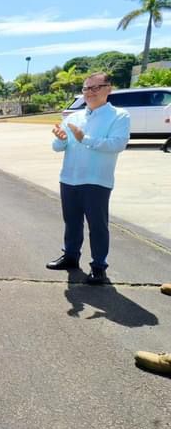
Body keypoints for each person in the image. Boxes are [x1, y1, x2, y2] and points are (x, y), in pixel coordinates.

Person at [46, 72, 130, 285]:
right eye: (86, 88)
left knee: (98, 226)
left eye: (96, 87)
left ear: (108, 88)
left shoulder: (119, 116)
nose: (90, 92)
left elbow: (117, 144)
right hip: (69, 178)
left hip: (96, 181)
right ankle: (71, 257)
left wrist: (86, 139)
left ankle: (99, 266)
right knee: (71, 222)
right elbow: (58, 147)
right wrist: (61, 140)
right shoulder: (74, 117)